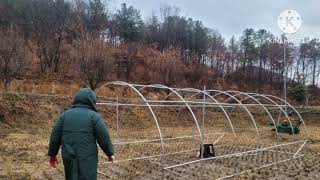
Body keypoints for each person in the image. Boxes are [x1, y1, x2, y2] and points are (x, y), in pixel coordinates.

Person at [48, 88, 114, 180]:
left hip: (68, 155)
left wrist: (52, 155)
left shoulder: (64, 115)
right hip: (88, 157)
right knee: (87, 175)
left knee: (71, 175)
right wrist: (110, 153)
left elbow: (55, 136)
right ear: (92, 101)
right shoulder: (94, 116)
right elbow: (103, 136)